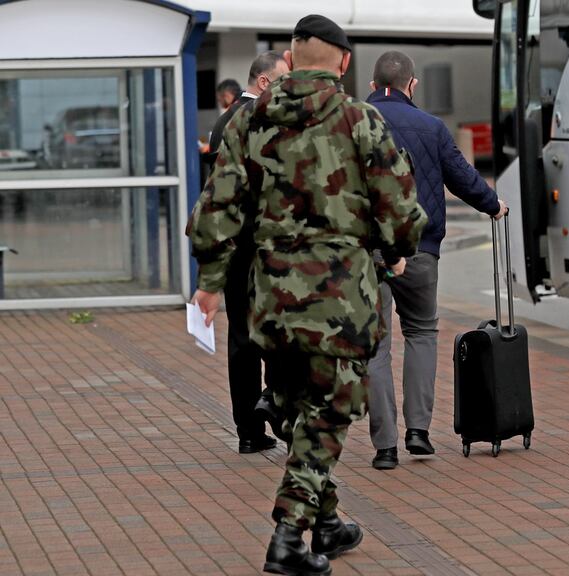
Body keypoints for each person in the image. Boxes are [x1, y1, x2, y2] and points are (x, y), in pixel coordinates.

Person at [188, 14, 425, 576]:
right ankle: (288, 537)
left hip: (271, 296)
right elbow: (400, 208)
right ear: (344, 62)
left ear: (290, 61)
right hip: (340, 299)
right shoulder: (359, 119)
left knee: (302, 410)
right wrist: (395, 250)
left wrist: (210, 282)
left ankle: (328, 523)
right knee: (327, 413)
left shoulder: (251, 120)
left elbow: (216, 209)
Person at [363, 50, 508, 470]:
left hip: (367, 251)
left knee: (377, 344)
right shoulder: (431, 127)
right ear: (412, 85)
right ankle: (418, 432)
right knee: (422, 333)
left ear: (373, 86)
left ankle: (385, 446)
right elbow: (463, 177)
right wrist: (492, 205)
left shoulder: (355, 123)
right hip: (421, 249)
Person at [201, 50, 291, 454]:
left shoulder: (222, 122)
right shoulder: (259, 120)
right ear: (265, 82)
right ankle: (273, 407)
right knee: (275, 333)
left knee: (241, 339)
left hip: (233, 249)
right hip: (263, 247)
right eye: (284, 78)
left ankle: (249, 431)